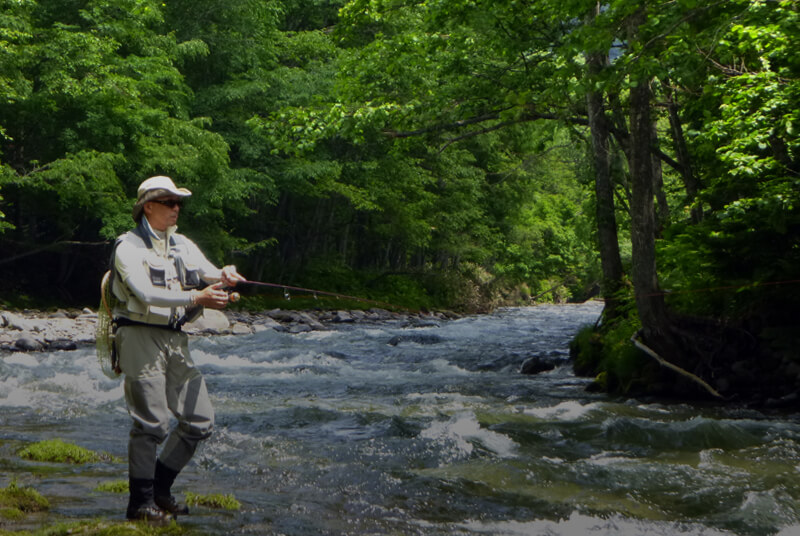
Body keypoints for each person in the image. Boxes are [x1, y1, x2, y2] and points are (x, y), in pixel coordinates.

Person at [109, 175, 244, 522]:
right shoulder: (128, 247)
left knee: (200, 421)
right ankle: (139, 504)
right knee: (151, 424)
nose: (176, 208)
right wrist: (197, 297)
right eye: (169, 202)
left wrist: (224, 275)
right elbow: (146, 293)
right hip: (138, 336)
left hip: (174, 338)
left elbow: (210, 272)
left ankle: (159, 490)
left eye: (178, 202)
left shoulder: (181, 243)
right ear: (148, 207)